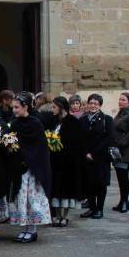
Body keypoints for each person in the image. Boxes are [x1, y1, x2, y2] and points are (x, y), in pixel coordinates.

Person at [7, 92, 52, 242]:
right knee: (21, 197)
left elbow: (39, 146)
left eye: (17, 107)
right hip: (18, 167)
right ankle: (24, 227)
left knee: (31, 198)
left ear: (25, 107)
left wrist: (28, 158)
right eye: (13, 107)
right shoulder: (14, 123)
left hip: (32, 168)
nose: (14, 110)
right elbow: (12, 142)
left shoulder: (35, 123)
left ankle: (32, 229)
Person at [49, 97, 85, 227]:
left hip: (68, 162)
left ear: (61, 107)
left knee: (67, 189)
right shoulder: (54, 121)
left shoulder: (73, 122)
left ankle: (65, 216)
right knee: (56, 189)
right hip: (55, 161)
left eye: (54, 107)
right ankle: (57, 215)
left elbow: (76, 143)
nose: (52, 109)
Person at [80, 94, 114, 219]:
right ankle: (92, 208)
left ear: (100, 105)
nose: (93, 106)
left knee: (100, 184)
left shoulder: (107, 119)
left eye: (96, 103)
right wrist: (86, 153)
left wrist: (93, 153)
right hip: (86, 157)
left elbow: (109, 138)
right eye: (91, 103)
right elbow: (80, 139)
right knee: (88, 184)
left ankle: (99, 209)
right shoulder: (83, 120)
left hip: (100, 158)